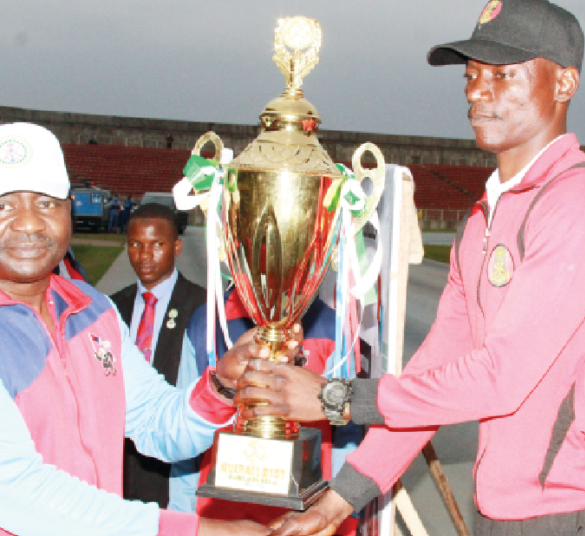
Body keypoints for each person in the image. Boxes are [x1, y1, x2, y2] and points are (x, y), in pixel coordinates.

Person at [239, 2, 585, 535]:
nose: (477, 91)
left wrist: (336, 398)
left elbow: (501, 377)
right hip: (504, 511)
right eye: (471, 75)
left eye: (504, 75)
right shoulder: (483, 219)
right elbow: (432, 374)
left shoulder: (583, 201)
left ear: (564, 83)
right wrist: (343, 498)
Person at [0, 122, 272, 536]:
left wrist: (221, 386)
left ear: (69, 208)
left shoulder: (94, 311)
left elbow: (157, 422)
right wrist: (198, 531)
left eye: (45, 203)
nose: (28, 224)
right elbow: (16, 490)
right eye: (4, 205)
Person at [171, 287, 358, 535]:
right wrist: (181, 515)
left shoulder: (331, 328)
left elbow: (347, 434)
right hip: (217, 517)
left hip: (304, 515)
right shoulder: (206, 323)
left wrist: (343, 514)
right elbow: (183, 430)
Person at [110, 203, 206, 509]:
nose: (144, 255)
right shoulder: (110, 308)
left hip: (176, 463)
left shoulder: (202, 307)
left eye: (157, 245)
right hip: (119, 453)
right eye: (136, 244)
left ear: (176, 247)